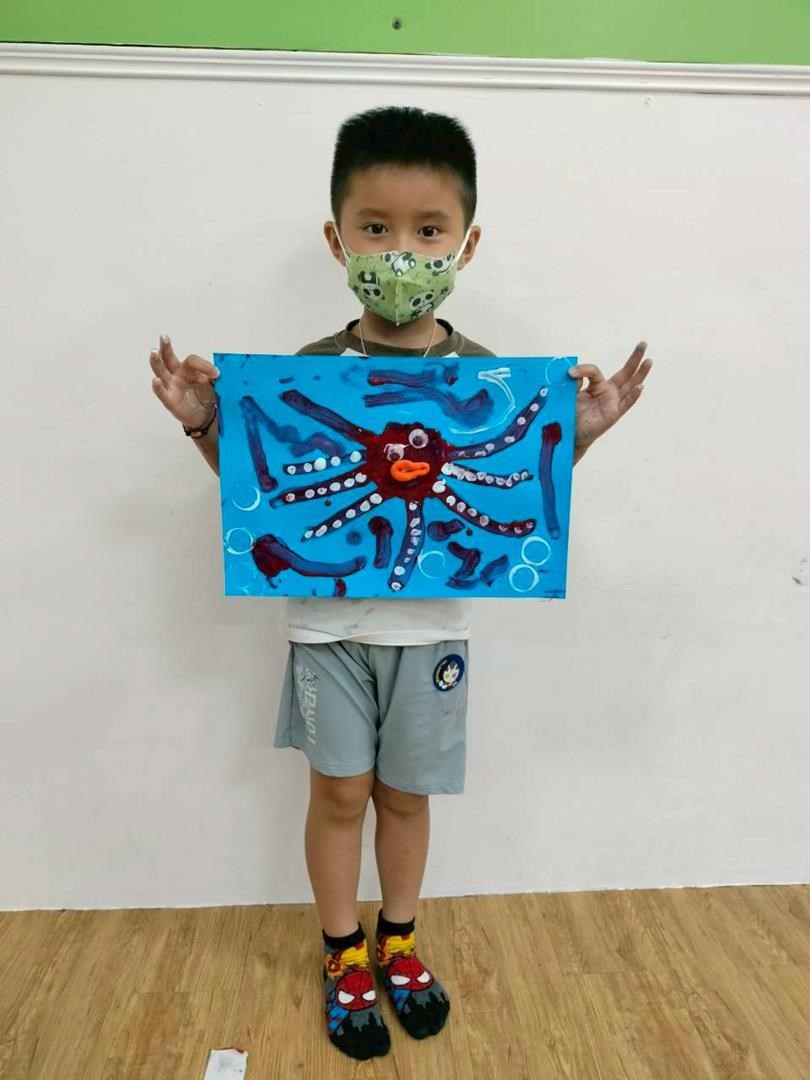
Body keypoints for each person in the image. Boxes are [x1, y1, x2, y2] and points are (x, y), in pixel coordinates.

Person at [149, 106, 652, 1061]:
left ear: (466, 242)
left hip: (431, 636)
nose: (402, 251)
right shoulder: (307, 374)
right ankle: (342, 951)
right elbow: (273, 494)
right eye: (376, 227)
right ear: (338, 237)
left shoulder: (488, 380)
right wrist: (206, 425)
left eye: (428, 230)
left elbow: (512, 491)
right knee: (340, 793)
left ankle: (400, 940)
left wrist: (576, 435)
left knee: (408, 797)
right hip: (326, 632)